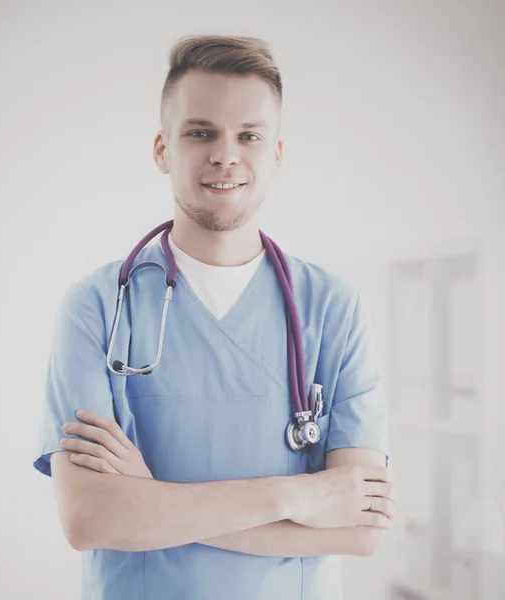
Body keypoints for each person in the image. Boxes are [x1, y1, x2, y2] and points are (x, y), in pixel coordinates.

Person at [33, 34, 396, 600]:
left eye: (248, 135)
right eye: (200, 132)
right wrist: (296, 497)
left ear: (275, 153)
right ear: (161, 149)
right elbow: (91, 519)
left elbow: (362, 529)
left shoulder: (334, 308)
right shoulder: (99, 306)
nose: (225, 154)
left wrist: (153, 501)